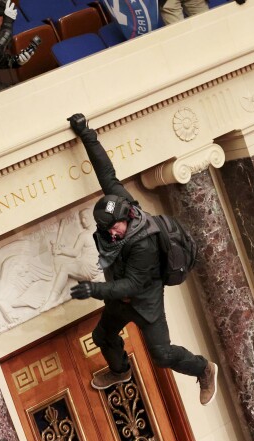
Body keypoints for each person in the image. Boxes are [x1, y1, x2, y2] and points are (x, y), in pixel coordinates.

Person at [66, 113, 218, 405]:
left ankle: (203, 368)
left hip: (144, 301)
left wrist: (93, 290)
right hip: (119, 300)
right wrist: (86, 134)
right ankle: (120, 370)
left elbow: (131, 286)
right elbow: (106, 174)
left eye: (115, 228)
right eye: (106, 229)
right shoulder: (121, 203)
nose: (111, 234)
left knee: (161, 355)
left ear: (127, 217)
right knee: (102, 337)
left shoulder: (143, 243)